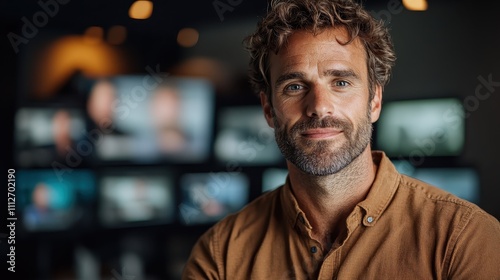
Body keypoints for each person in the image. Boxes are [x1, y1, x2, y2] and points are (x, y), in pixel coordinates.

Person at [182, 0, 500, 279]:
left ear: (374, 101)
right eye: (294, 86)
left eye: (341, 82)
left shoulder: (466, 239)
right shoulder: (220, 255)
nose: (319, 106)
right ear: (268, 109)